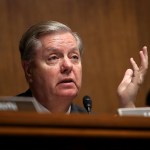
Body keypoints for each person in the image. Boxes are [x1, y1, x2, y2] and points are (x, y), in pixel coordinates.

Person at [17, 20, 148, 113]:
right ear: (29, 70)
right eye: (53, 58)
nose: (68, 65)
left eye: (74, 57)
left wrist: (127, 104)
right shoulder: (7, 115)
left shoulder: (90, 123)